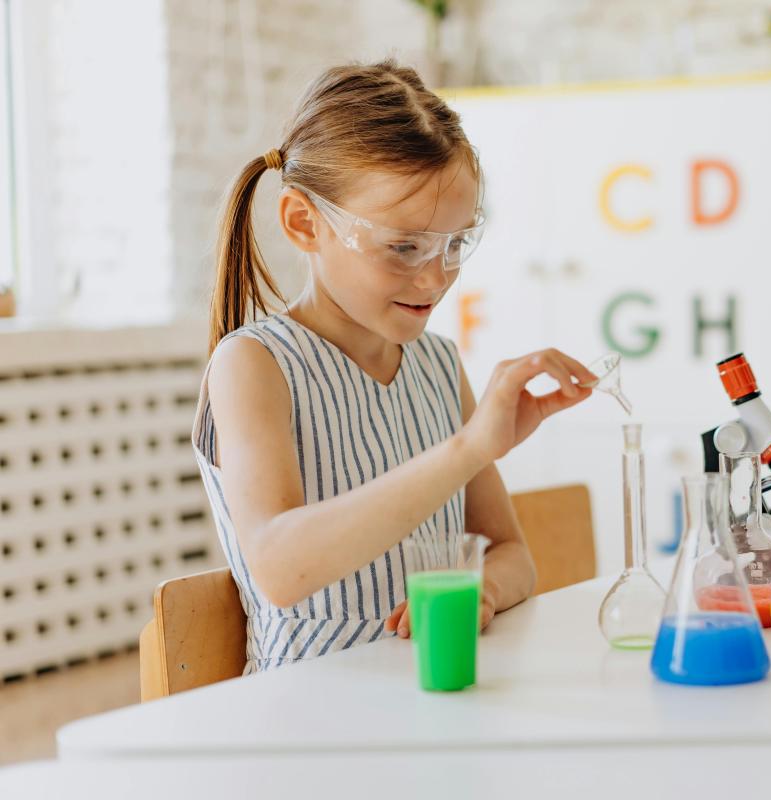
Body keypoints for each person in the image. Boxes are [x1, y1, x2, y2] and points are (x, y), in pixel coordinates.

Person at [193, 60, 594, 673]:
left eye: (455, 244)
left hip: (431, 696)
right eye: (404, 246)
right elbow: (279, 568)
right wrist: (465, 450)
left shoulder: (437, 364)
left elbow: (511, 553)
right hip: (308, 713)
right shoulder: (254, 363)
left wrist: (482, 590)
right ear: (305, 222)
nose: (435, 278)